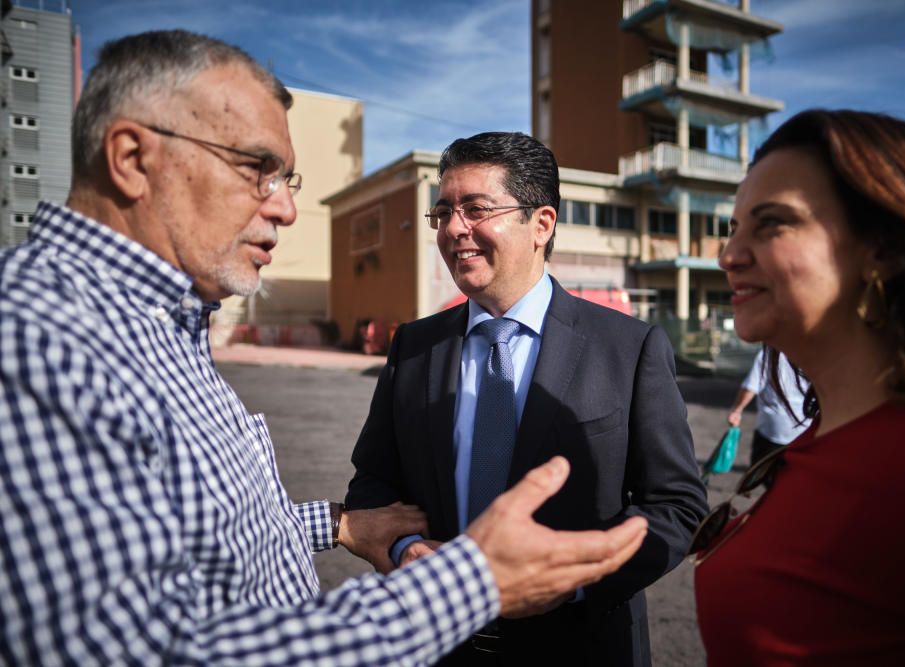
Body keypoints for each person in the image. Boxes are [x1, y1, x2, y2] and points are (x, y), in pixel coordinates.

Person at [0, 30, 650, 666]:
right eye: (258, 169)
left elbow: (202, 525)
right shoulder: (37, 338)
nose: (284, 208)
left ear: (541, 225)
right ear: (133, 160)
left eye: (288, 178)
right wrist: (470, 582)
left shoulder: (163, 324)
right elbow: (141, 650)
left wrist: (337, 524)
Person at [346, 131, 708, 666]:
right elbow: (374, 480)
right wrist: (404, 550)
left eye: (475, 209)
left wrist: (570, 582)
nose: (453, 229)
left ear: (541, 223)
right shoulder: (414, 346)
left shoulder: (629, 348)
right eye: (443, 212)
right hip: (436, 644)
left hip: (581, 646)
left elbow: (676, 505)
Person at [694, 109, 905, 665]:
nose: (729, 256)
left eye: (772, 223)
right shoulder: (815, 442)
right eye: (734, 228)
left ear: (882, 247)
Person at [727, 348, 810, 466]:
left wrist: (737, 410)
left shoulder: (770, 353)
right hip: (805, 432)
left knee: (763, 474)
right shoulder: (814, 353)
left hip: (772, 430)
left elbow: (751, 387)